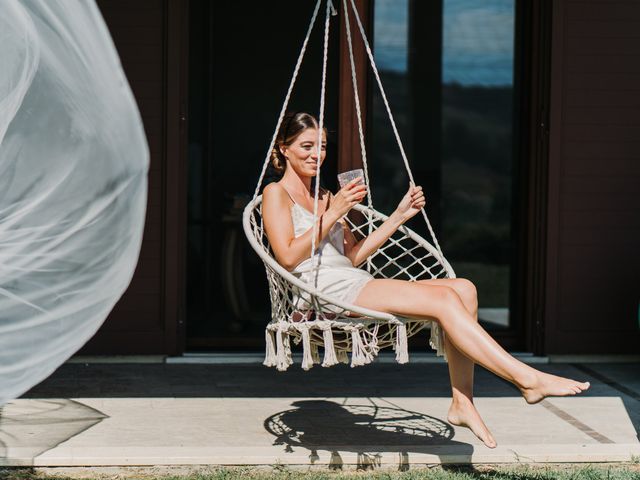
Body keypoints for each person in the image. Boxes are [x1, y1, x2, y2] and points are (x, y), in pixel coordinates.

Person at [261, 112, 590, 449]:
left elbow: (352, 258)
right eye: (307, 146)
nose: (317, 154)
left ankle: (462, 402)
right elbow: (286, 256)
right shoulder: (276, 193)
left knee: (464, 289)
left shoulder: (328, 195)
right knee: (444, 301)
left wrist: (399, 215)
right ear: (284, 149)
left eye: (323, 146)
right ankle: (526, 378)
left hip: (350, 280)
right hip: (321, 293)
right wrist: (333, 214)